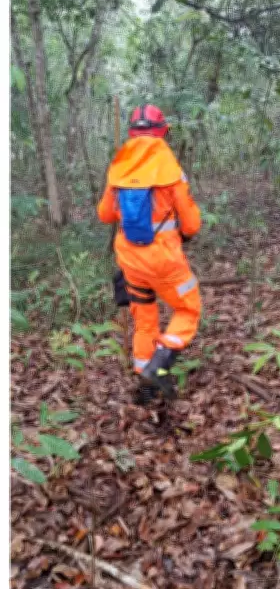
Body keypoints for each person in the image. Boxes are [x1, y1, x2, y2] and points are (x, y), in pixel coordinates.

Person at [98, 104, 202, 404]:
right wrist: (183, 230)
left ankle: (145, 385)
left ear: (132, 131)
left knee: (144, 318)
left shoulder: (120, 168)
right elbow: (191, 224)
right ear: (162, 131)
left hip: (130, 259)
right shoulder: (170, 169)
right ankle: (160, 363)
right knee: (188, 309)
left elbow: (105, 215)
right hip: (163, 258)